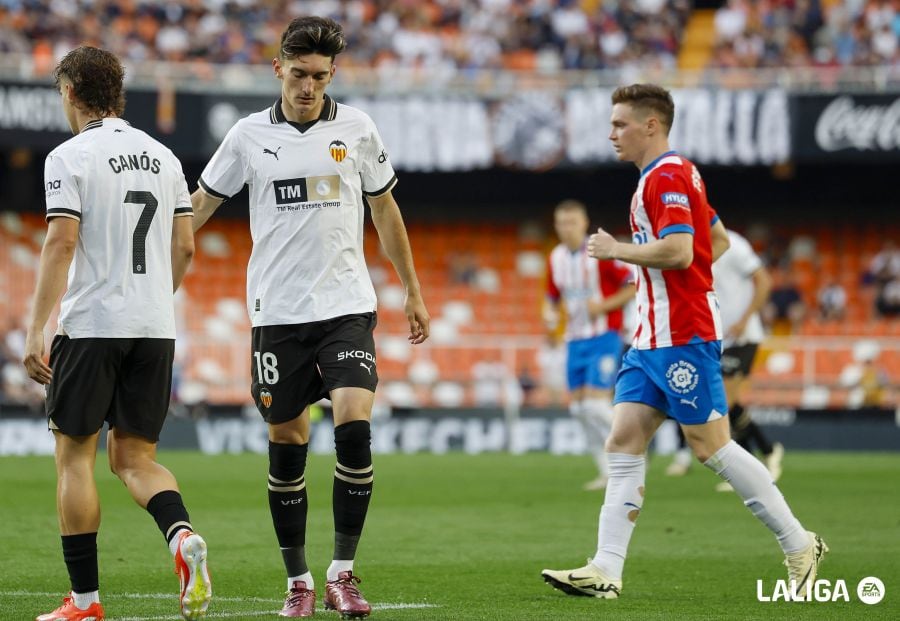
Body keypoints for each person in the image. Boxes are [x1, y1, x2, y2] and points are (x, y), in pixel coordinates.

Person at [541, 84, 826, 601]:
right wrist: (672, 282)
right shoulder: (672, 174)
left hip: (682, 336)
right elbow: (713, 242)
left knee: (710, 447)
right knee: (623, 439)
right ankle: (606, 568)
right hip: (649, 335)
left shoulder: (667, 175)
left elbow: (678, 251)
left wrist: (618, 251)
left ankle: (800, 543)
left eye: (620, 124)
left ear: (652, 125)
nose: (612, 133)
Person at [190, 16, 429, 619]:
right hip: (278, 314)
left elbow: (386, 211)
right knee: (287, 446)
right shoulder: (246, 136)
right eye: (298, 74)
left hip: (346, 306)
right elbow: (199, 207)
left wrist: (412, 289)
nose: (308, 87)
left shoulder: (357, 128)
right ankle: (298, 581)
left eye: (320, 76)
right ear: (277, 68)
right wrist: (150, 260)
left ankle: (341, 574)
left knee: (354, 425)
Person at [23, 46, 211, 621]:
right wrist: (155, 299)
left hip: (93, 325)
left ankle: (84, 603)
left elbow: (60, 242)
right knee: (136, 458)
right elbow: (184, 245)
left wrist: (35, 329)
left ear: (72, 93)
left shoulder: (69, 156)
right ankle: (181, 538)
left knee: (74, 459)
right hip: (154, 327)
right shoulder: (164, 156)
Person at [544, 200, 635, 490]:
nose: (566, 229)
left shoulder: (600, 251)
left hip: (604, 336)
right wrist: (549, 317)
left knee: (595, 405)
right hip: (574, 340)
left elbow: (634, 285)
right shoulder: (555, 257)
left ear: (584, 224)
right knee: (580, 409)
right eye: (561, 223)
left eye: (571, 222)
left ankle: (633, 448)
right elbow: (552, 295)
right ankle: (606, 471)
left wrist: (605, 305)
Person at [711, 229, 783, 492]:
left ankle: (752, 467)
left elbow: (763, 281)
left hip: (742, 336)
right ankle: (767, 451)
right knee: (728, 404)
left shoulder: (734, 244)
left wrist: (745, 319)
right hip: (718, 337)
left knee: (725, 403)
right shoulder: (690, 243)